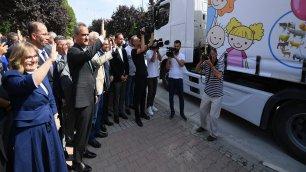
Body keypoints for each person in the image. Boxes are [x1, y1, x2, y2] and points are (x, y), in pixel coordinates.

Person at [2, 42, 67, 172]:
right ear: (19, 59)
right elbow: (30, 82)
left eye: (35, 56)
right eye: (28, 57)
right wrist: (49, 60)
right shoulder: (11, 76)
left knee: (52, 163)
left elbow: (49, 96)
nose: (34, 59)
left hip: (48, 126)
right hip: (29, 132)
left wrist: (55, 115)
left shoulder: (39, 72)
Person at [67, 22, 104, 172]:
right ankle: (76, 162)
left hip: (89, 96)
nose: (87, 37)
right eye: (83, 34)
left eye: (88, 34)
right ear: (75, 36)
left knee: (87, 129)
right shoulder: (73, 51)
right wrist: (101, 38)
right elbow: (88, 55)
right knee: (81, 131)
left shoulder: (83, 49)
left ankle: (83, 151)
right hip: (81, 99)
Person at [195, 46, 224, 141]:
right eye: (210, 55)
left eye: (213, 54)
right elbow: (197, 70)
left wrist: (211, 65)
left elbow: (219, 75)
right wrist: (201, 60)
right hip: (207, 92)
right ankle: (203, 126)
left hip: (217, 95)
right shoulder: (206, 63)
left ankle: (214, 134)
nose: (212, 56)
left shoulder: (220, 63)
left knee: (213, 116)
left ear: (216, 54)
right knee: (202, 111)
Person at [131, 29, 153, 127]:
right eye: (137, 40)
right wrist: (143, 35)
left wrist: (152, 35)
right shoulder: (134, 51)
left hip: (144, 76)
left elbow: (150, 44)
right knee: (137, 97)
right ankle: (137, 117)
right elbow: (143, 48)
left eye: (139, 39)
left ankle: (142, 113)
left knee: (144, 95)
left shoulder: (140, 49)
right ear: (133, 43)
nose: (139, 41)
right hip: (139, 77)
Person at [109, 33, 129, 124]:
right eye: (120, 39)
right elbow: (113, 66)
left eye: (123, 39)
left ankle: (122, 112)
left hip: (125, 77)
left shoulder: (124, 50)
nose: (122, 40)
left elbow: (126, 64)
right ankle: (116, 114)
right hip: (117, 79)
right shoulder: (113, 51)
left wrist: (127, 74)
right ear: (116, 40)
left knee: (123, 96)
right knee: (116, 98)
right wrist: (120, 75)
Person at [166, 40, 187, 121]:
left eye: (177, 46)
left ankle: (182, 113)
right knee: (171, 97)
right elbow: (167, 68)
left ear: (180, 47)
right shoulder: (170, 56)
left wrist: (175, 57)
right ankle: (172, 112)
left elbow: (181, 65)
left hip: (179, 79)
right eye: (175, 46)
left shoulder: (182, 55)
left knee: (181, 97)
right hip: (171, 78)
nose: (176, 48)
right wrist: (169, 59)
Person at [145, 43, 161, 116]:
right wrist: (155, 51)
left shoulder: (156, 52)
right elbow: (153, 60)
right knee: (150, 92)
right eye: (155, 46)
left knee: (154, 92)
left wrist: (158, 51)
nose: (156, 47)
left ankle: (151, 105)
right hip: (150, 75)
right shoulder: (148, 52)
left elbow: (160, 59)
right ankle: (148, 107)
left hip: (155, 75)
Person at [124, 35, 137, 115]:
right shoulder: (126, 49)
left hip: (135, 73)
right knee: (128, 90)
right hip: (129, 74)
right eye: (134, 41)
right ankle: (127, 106)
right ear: (131, 41)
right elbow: (125, 63)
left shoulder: (135, 49)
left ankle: (131, 103)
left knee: (132, 89)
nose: (136, 42)